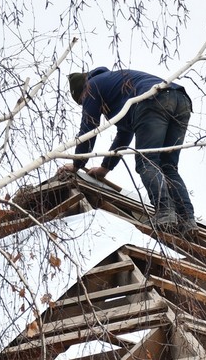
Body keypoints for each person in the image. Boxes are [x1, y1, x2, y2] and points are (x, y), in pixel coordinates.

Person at [60, 66, 197, 234]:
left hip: (153, 101)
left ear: (81, 92)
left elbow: (89, 128)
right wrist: (105, 168)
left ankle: (165, 212)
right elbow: (124, 135)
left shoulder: (91, 87)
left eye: (83, 102)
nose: (86, 105)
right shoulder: (115, 86)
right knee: (168, 166)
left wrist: (77, 164)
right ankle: (187, 219)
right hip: (180, 99)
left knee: (146, 162)